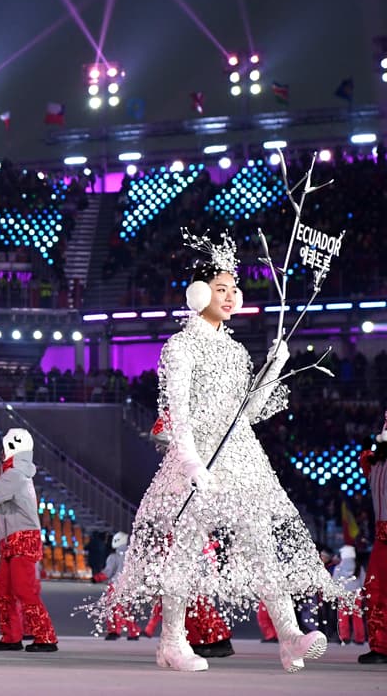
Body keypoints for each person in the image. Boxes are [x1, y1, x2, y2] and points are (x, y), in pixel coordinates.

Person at [89, 234, 353, 672]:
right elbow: (177, 411)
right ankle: (171, 642)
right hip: (198, 460)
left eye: (235, 289)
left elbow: (245, 413)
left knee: (261, 544)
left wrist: (273, 369)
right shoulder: (180, 347)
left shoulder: (234, 351)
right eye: (222, 288)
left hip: (240, 458)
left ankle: (289, 636)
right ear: (199, 293)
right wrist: (190, 460)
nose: (231, 297)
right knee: (187, 550)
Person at [0, 428, 59, 653]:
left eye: (5, 447)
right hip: (12, 539)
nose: (2, 452)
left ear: (12, 447)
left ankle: (45, 636)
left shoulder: (15, 475)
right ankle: (11, 636)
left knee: (23, 590)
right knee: (3, 589)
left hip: (21, 537)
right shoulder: (14, 473)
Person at [359, 415, 387, 664]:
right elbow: (367, 462)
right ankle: (380, 646)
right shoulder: (376, 461)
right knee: (375, 590)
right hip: (383, 534)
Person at [99, 532, 139, 640]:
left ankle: (114, 631)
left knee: (113, 609)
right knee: (125, 609)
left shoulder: (114, 557)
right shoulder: (132, 556)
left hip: (115, 585)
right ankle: (133, 632)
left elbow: (108, 572)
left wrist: (97, 578)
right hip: (128, 585)